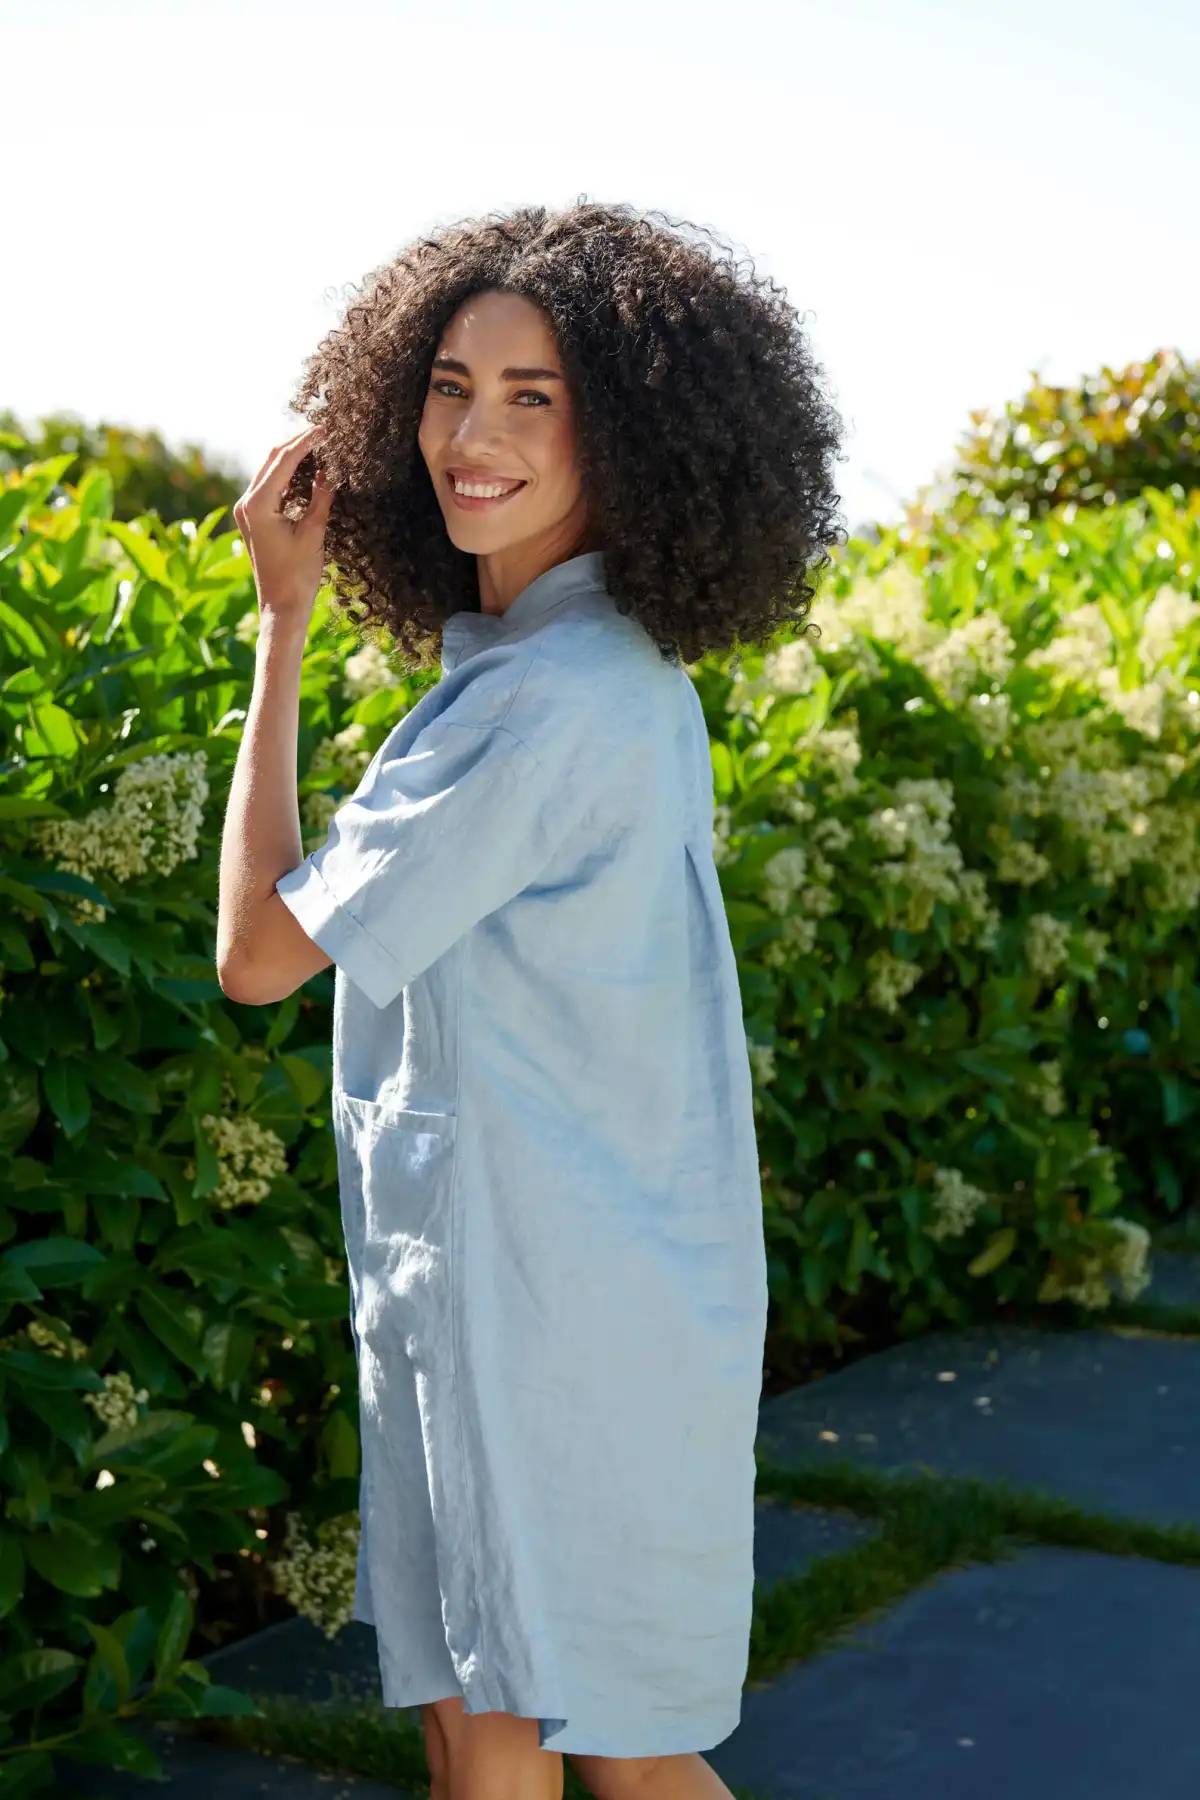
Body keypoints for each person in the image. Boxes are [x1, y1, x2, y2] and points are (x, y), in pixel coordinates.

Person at [216, 199, 844, 1800]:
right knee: (577, 1738)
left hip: (539, 1314)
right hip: (588, 1295)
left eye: (531, 396)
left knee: (535, 1739)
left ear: (627, 434)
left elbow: (258, 955)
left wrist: (281, 621)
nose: (469, 436)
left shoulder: (542, 704)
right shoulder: (606, 672)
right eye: (447, 386)